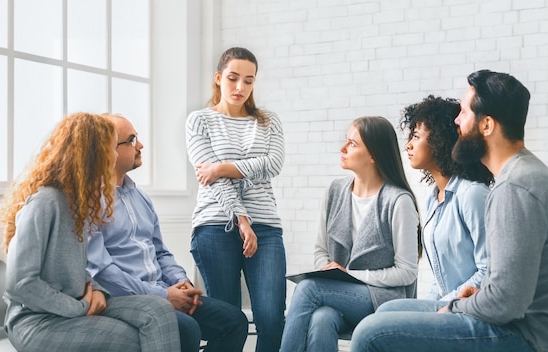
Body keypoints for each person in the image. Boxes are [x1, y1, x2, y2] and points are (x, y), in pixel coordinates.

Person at [350, 70, 548, 352]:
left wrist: (455, 307)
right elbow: (507, 289)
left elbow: (506, 302)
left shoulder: (514, 188)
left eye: (463, 113)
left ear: (487, 125)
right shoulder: (522, 176)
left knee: (370, 334)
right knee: (389, 312)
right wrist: (475, 297)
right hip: (521, 326)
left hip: (530, 339)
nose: (457, 122)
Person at [0, 112, 180, 352]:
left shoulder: (81, 203)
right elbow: (20, 284)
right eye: (110, 148)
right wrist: (80, 307)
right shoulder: (45, 202)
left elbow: (85, 266)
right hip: (36, 321)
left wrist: (99, 293)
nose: (115, 154)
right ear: (92, 155)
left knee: (159, 310)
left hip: (76, 303)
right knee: (130, 338)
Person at [87, 114, 249, 352]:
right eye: (132, 140)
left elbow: (160, 252)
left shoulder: (140, 197)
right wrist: (163, 295)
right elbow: (103, 272)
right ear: (107, 150)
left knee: (234, 321)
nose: (140, 146)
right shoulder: (89, 202)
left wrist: (180, 281)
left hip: (164, 288)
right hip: (128, 299)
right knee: (186, 328)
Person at [279, 116, 420, 352]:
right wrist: (331, 273)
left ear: (373, 155)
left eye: (352, 144)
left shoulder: (398, 201)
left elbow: (406, 273)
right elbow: (321, 251)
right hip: (339, 296)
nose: (342, 148)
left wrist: (351, 275)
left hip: (382, 299)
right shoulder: (335, 191)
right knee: (321, 318)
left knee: (308, 288)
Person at [186, 47, 286, 352]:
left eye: (248, 80)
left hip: (266, 227)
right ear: (218, 79)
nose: (240, 87)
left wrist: (224, 168)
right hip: (216, 224)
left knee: (271, 318)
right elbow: (213, 181)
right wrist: (241, 219)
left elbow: (274, 164)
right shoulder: (199, 121)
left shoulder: (268, 122)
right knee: (228, 320)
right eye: (233, 79)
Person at [401, 95, 493, 301]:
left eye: (416, 136)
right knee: (385, 314)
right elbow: (441, 281)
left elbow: (489, 270)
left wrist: (444, 306)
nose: (408, 145)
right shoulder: (433, 198)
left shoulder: (472, 195)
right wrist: (428, 307)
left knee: (379, 324)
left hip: (468, 308)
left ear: (439, 141)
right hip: (446, 304)